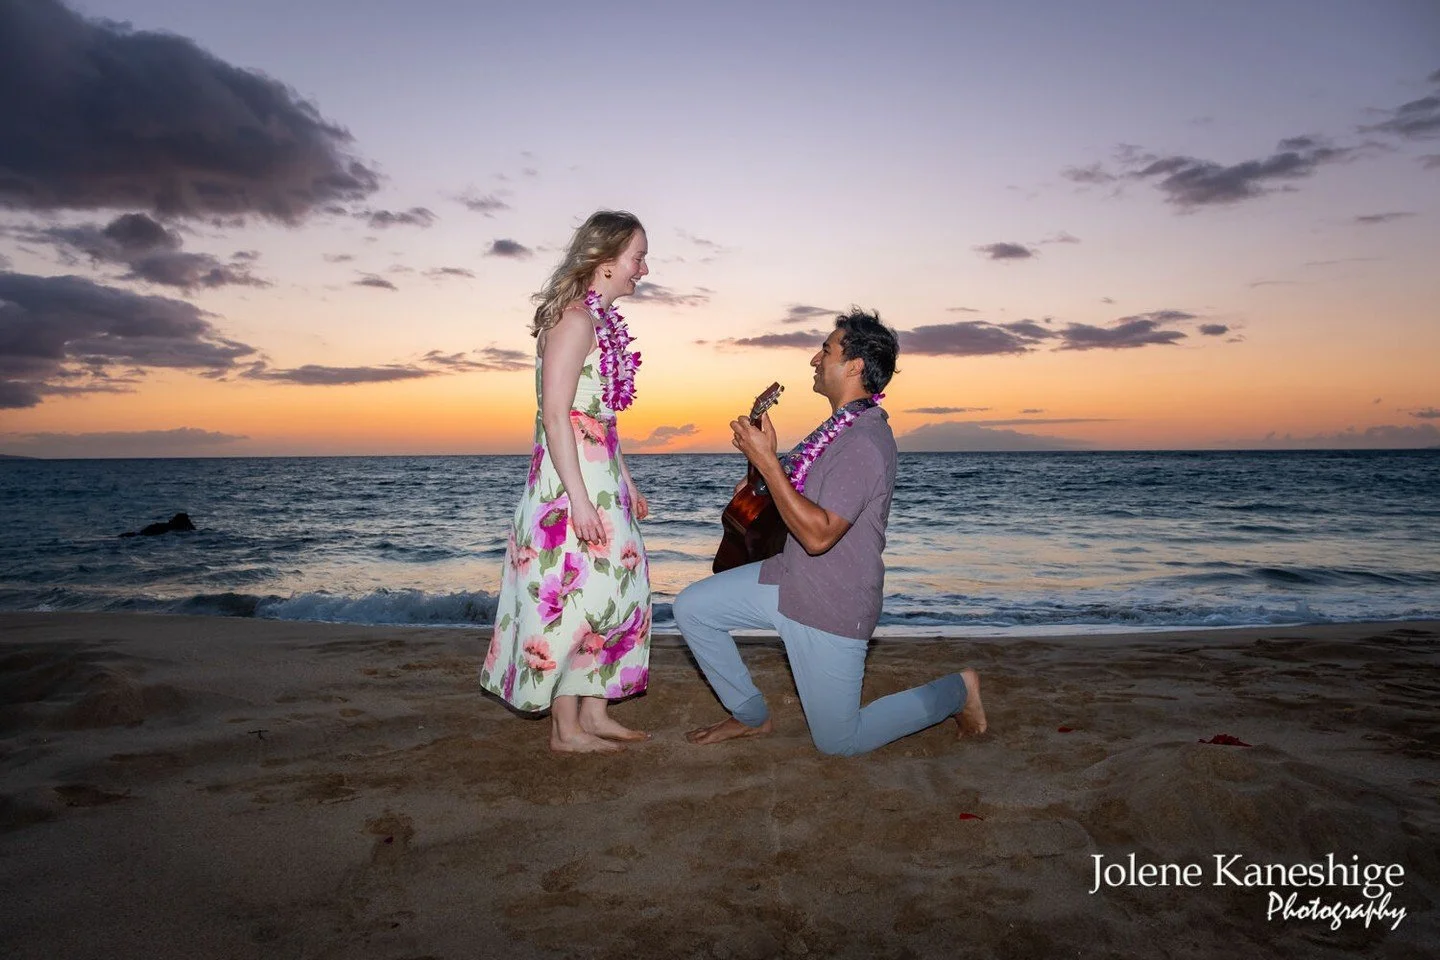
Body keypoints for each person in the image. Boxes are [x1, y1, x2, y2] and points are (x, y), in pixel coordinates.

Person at [673, 310, 987, 756]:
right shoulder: (835, 433)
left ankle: (958, 690)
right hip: (788, 579)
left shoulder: (864, 442)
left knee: (840, 742)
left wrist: (767, 464)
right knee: (693, 608)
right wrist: (765, 478)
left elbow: (819, 535)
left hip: (832, 602)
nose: (814, 360)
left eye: (826, 349)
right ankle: (750, 716)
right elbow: (801, 502)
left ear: (855, 366)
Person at [480, 210, 653, 753]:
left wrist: (626, 481)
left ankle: (595, 712)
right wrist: (579, 502)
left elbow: (600, 420)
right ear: (605, 261)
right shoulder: (575, 322)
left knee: (619, 594)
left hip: (600, 481)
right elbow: (556, 415)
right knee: (573, 597)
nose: (643, 269)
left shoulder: (598, 324)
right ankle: (566, 729)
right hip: (568, 486)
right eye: (637, 257)